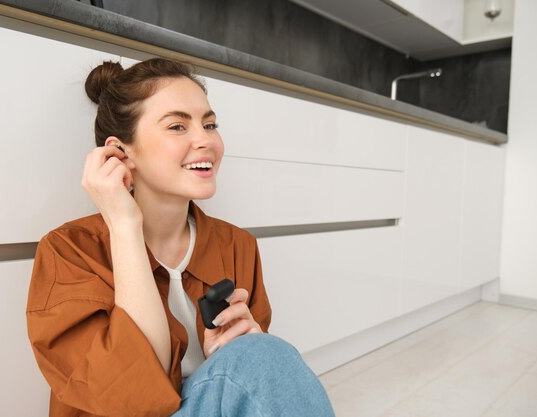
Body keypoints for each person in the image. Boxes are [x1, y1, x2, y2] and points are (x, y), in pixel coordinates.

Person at [26, 57, 336, 417]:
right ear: (121, 153)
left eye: (210, 124)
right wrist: (124, 227)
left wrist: (237, 354)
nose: (205, 140)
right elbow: (133, 400)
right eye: (177, 126)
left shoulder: (237, 246)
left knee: (265, 354)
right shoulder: (68, 252)